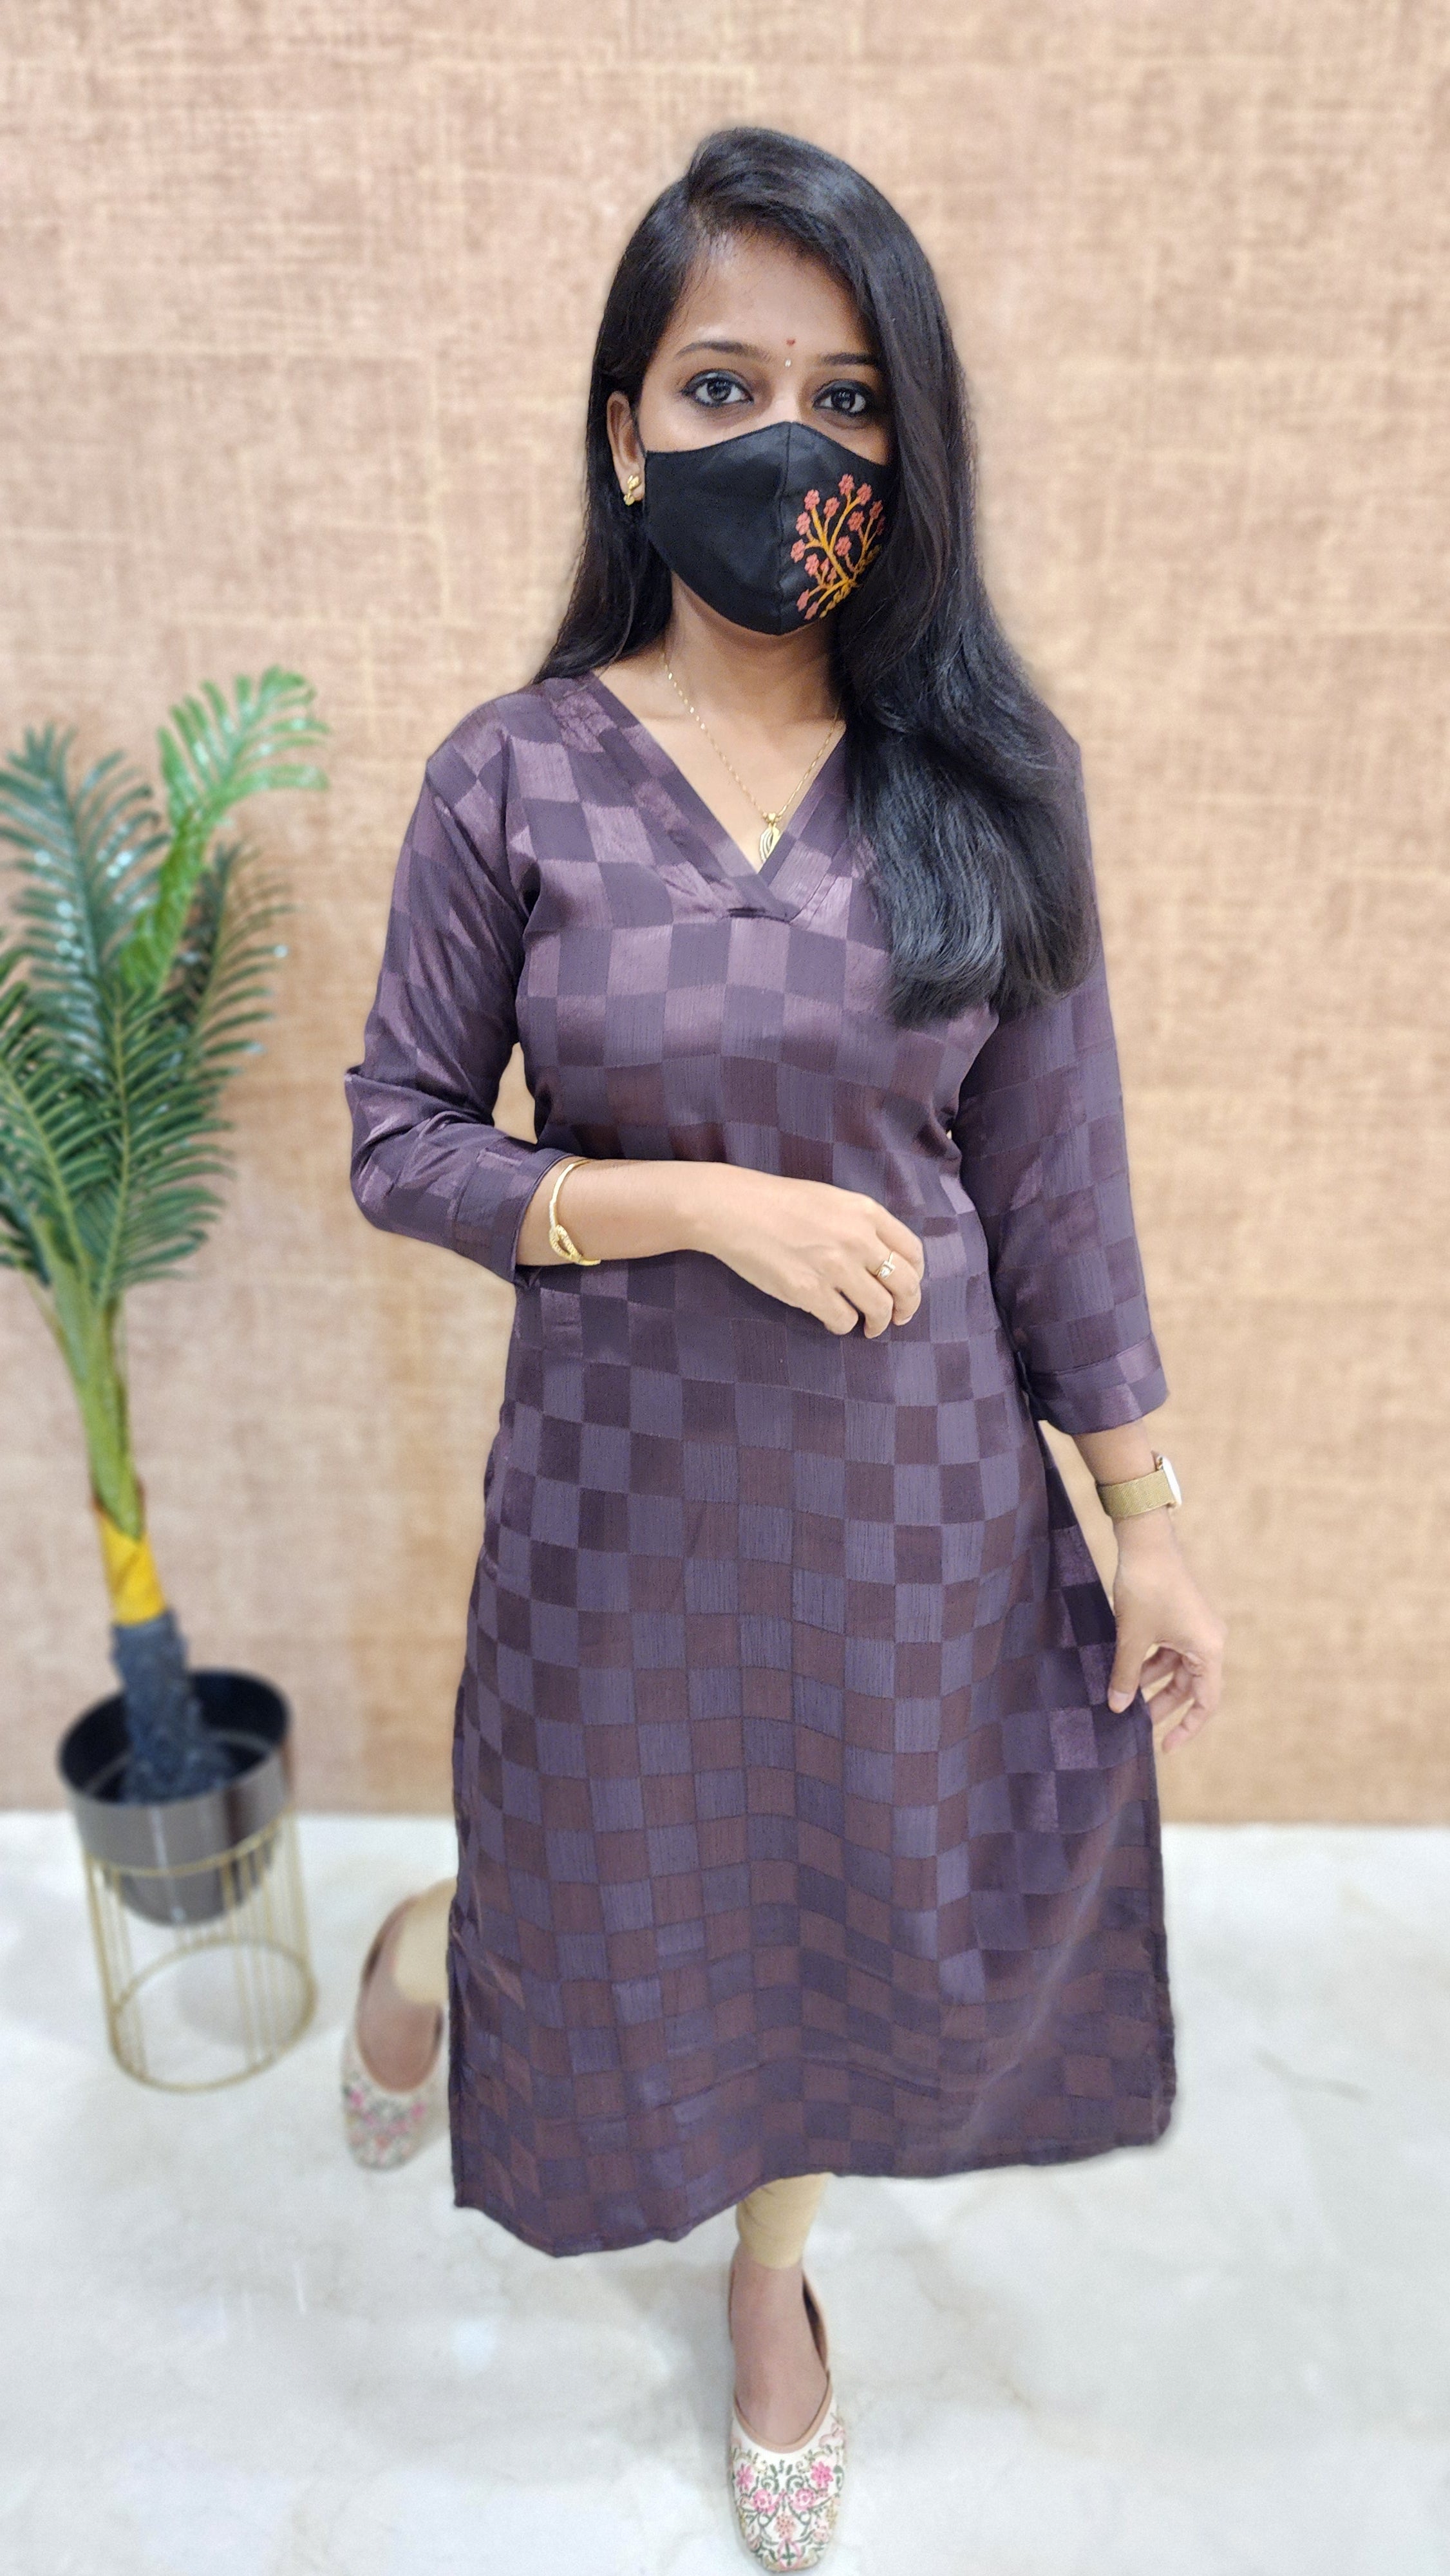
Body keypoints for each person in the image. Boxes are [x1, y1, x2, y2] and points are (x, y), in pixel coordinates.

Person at [339, 126, 1224, 2571]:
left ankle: (769, 2286)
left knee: (834, 1905)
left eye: (845, 400)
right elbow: (399, 1138)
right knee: (583, 1892)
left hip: (908, 1510)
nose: (786, 447)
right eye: (721, 386)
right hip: (618, 1500)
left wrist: (1144, 1521)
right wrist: (683, 1201)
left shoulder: (986, 786)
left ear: (905, 450)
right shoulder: (513, 777)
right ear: (626, 437)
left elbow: (1058, 1191)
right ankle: (430, 1949)